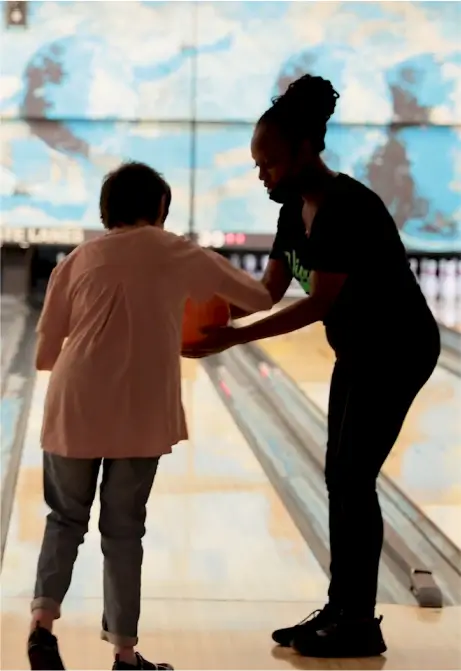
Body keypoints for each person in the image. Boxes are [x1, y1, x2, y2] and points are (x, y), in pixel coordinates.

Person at [188, 75, 441, 658]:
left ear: (307, 149)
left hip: (398, 348)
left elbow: (318, 301)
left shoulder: (349, 207)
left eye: (269, 162)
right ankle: (341, 609)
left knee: (353, 478)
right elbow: (268, 291)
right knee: (339, 478)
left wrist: (233, 339)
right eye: (257, 164)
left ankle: (357, 620)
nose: (262, 175)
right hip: (358, 349)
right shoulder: (291, 210)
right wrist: (199, 298)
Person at [28, 161, 273, 671]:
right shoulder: (179, 251)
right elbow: (259, 297)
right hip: (141, 410)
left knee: (65, 519)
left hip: (74, 404)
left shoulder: (75, 259)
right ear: (160, 209)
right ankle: (124, 655)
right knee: (122, 531)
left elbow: (45, 352)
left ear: (106, 211)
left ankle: (41, 630)